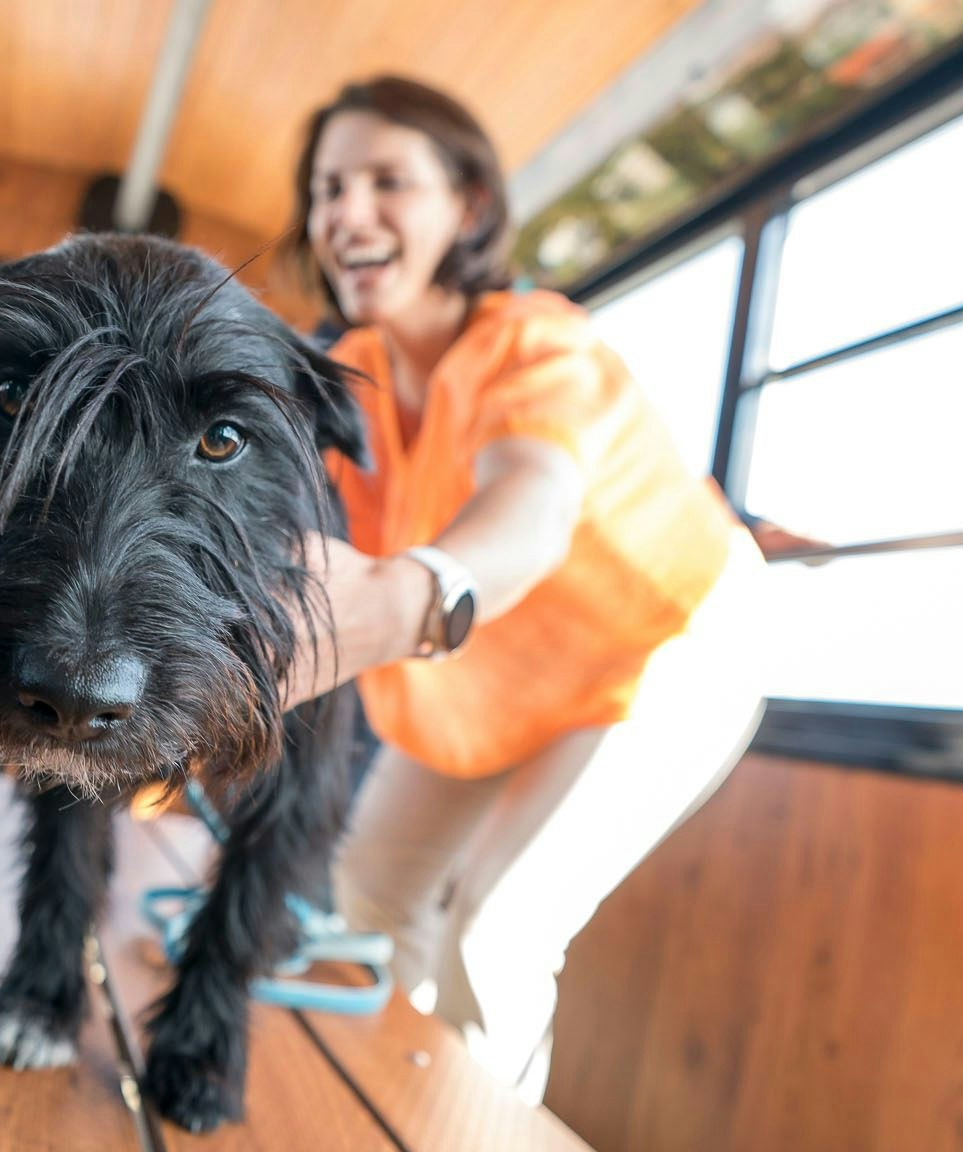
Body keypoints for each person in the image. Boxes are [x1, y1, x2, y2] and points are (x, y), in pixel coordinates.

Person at [285, 77, 770, 1094]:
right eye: (328, 188)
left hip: (666, 641)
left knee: (492, 930)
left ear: (465, 205)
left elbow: (534, 503)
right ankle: (385, 1124)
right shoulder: (353, 378)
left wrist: (404, 594)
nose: (345, 214)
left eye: (386, 181)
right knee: (367, 893)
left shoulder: (533, 340)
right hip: (489, 662)